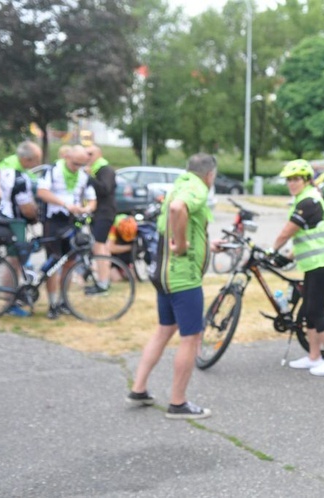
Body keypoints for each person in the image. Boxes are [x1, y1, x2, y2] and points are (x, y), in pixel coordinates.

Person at [127, 153, 216, 419]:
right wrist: (181, 244)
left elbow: (180, 219)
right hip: (183, 277)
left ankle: (139, 388)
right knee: (190, 337)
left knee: (164, 330)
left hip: (163, 273)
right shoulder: (197, 188)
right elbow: (178, 209)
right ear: (210, 175)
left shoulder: (179, 183)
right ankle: (178, 403)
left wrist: (202, 244)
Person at [272, 159, 324, 377]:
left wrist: (271, 249)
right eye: (289, 180)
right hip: (313, 264)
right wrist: (288, 256)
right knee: (308, 313)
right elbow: (307, 235)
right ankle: (314, 356)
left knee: (315, 311)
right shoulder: (303, 199)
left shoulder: (309, 201)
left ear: (306, 180)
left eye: (296, 179)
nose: (292, 184)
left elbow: (288, 232)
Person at [36, 145, 97, 319]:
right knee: (54, 262)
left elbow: (93, 200)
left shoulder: (84, 176)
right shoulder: (53, 171)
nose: (76, 167)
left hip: (73, 221)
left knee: (69, 262)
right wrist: (64, 204)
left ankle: (64, 301)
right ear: (67, 157)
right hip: (53, 221)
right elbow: (42, 192)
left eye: (81, 164)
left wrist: (86, 209)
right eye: (75, 163)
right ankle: (52, 303)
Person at [0, 141, 42, 317]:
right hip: (14, 222)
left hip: (2, 218)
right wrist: (36, 215)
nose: (38, 163)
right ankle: (8, 302)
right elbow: (26, 207)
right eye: (36, 159)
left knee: (12, 261)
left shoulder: (6, 165)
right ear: (26, 159)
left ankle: (6, 298)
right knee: (14, 261)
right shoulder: (18, 177)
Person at [84, 145, 117, 294]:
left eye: (90, 153)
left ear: (98, 154)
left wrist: (89, 177)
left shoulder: (105, 169)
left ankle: (103, 283)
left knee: (99, 247)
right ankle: (103, 280)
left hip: (105, 213)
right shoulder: (98, 169)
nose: (87, 156)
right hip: (99, 213)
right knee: (100, 247)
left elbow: (105, 188)